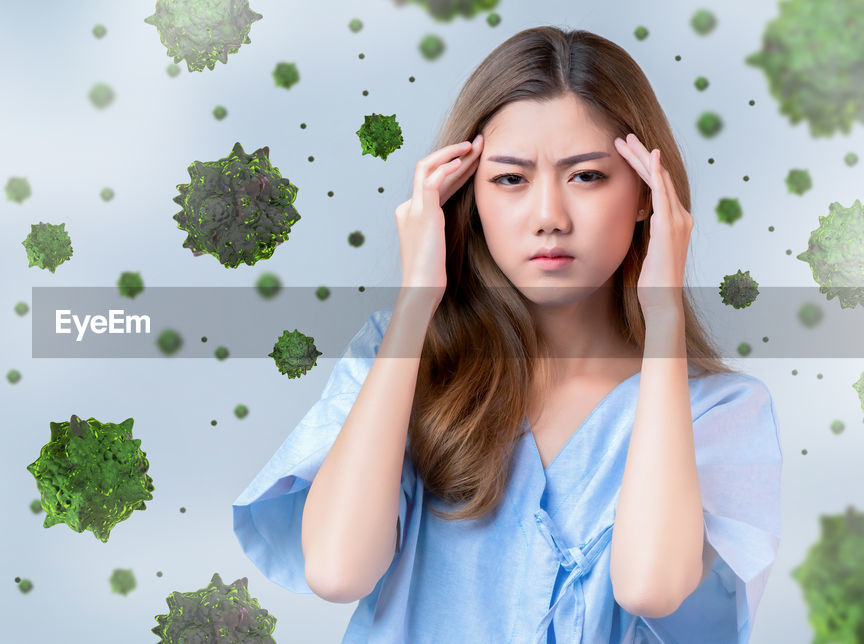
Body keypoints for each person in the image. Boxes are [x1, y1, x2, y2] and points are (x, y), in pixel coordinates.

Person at [232, 26, 781, 643]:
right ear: (466, 195)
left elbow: (650, 587)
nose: (549, 217)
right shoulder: (402, 363)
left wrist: (665, 319)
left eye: (588, 176)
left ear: (648, 198)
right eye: (511, 179)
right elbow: (337, 570)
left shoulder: (721, 411)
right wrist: (417, 304)